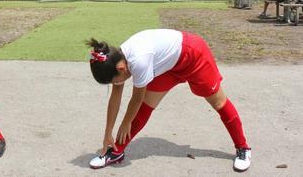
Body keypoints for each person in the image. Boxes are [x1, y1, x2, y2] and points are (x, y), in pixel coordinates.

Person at [86, 29, 251, 172]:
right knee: (146, 106)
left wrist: (125, 123)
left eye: (115, 81)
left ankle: (243, 148)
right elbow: (115, 99)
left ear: (121, 69)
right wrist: (107, 133)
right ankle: (116, 151)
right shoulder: (115, 59)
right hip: (169, 66)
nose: (117, 84)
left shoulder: (139, 61)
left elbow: (136, 98)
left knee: (219, 103)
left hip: (193, 55)